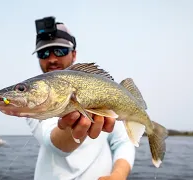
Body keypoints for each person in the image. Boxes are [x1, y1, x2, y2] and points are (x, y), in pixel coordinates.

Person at [28, 16, 136, 180]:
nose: (52, 59)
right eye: (43, 53)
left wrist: (118, 175)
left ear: (74, 54)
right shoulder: (34, 96)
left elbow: (123, 141)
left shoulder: (103, 88)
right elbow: (55, 145)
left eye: (60, 50)